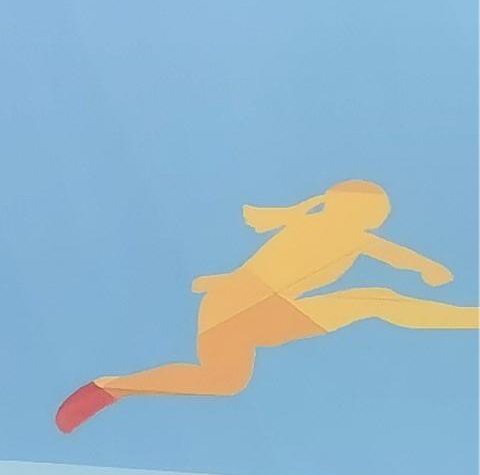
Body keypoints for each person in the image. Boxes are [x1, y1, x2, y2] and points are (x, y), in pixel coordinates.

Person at [57, 181, 473, 431]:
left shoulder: (322, 225)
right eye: (377, 212)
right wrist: (428, 268)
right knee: (376, 300)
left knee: (224, 381)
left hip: (231, 310)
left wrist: (425, 268)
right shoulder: (337, 229)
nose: (379, 219)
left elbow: (383, 251)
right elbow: (389, 253)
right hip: (251, 306)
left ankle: (112, 387)